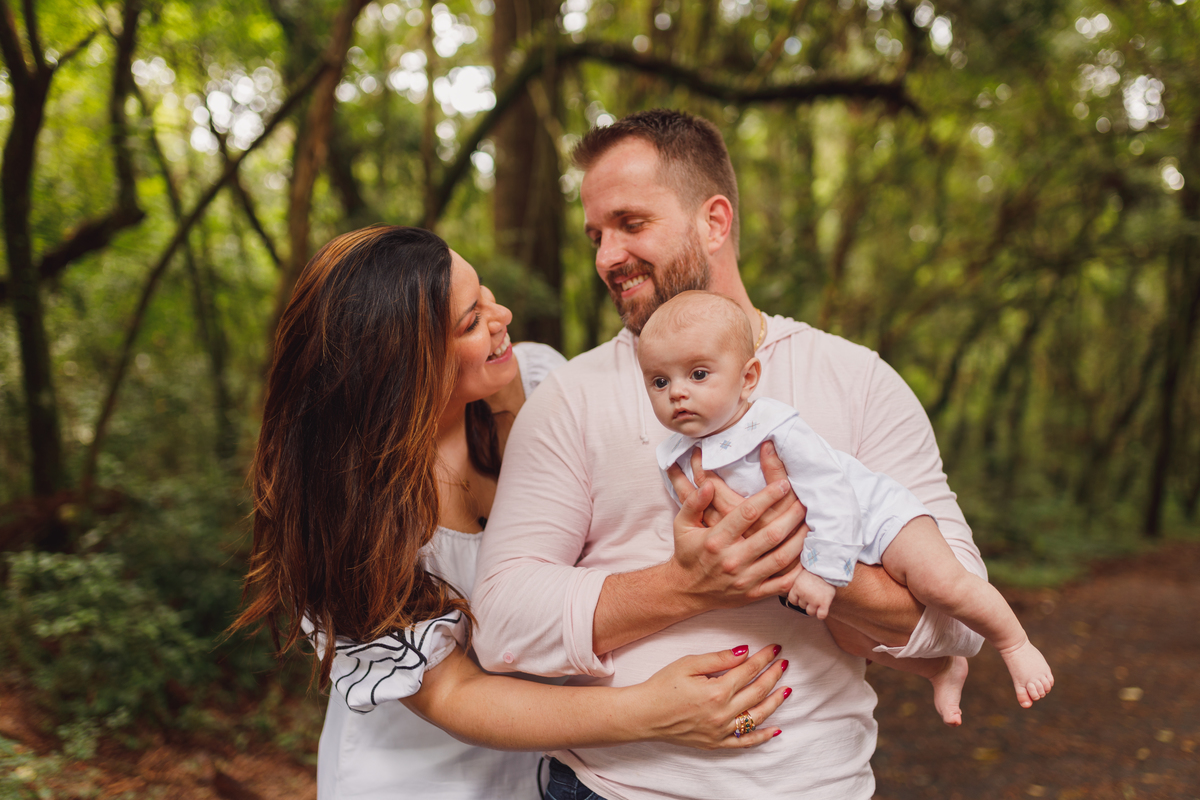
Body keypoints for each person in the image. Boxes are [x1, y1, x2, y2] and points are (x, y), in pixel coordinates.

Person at [472, 109, 991, 800]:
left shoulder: (857, 380)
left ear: (714, 222)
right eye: (595, 235)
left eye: (630, 223)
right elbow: (500, 619)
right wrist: (686, 584)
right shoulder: (570, 397)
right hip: (608, 789)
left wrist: (804, 560)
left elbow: (962, 622)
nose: (605, 257)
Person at [229, 225, 793, 800]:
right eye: (471, 321)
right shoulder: (346, 509)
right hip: (415, 777)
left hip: (547, 767)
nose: (503, 317)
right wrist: (647, 711)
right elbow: (449, 694)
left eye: (486, 295)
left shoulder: (542, 381)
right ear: (401, 363)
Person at [639, 290, 1054, 726]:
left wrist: (821, 571)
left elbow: (831, 492)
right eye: (660, 382)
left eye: (698, 374)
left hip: (877, 517)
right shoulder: (677, 457)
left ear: (748, 378)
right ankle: (942, 668)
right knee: (850, 638)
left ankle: (1014, 643)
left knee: (942, 584)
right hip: (824, 546)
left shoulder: (773, 427)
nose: (678, 393)